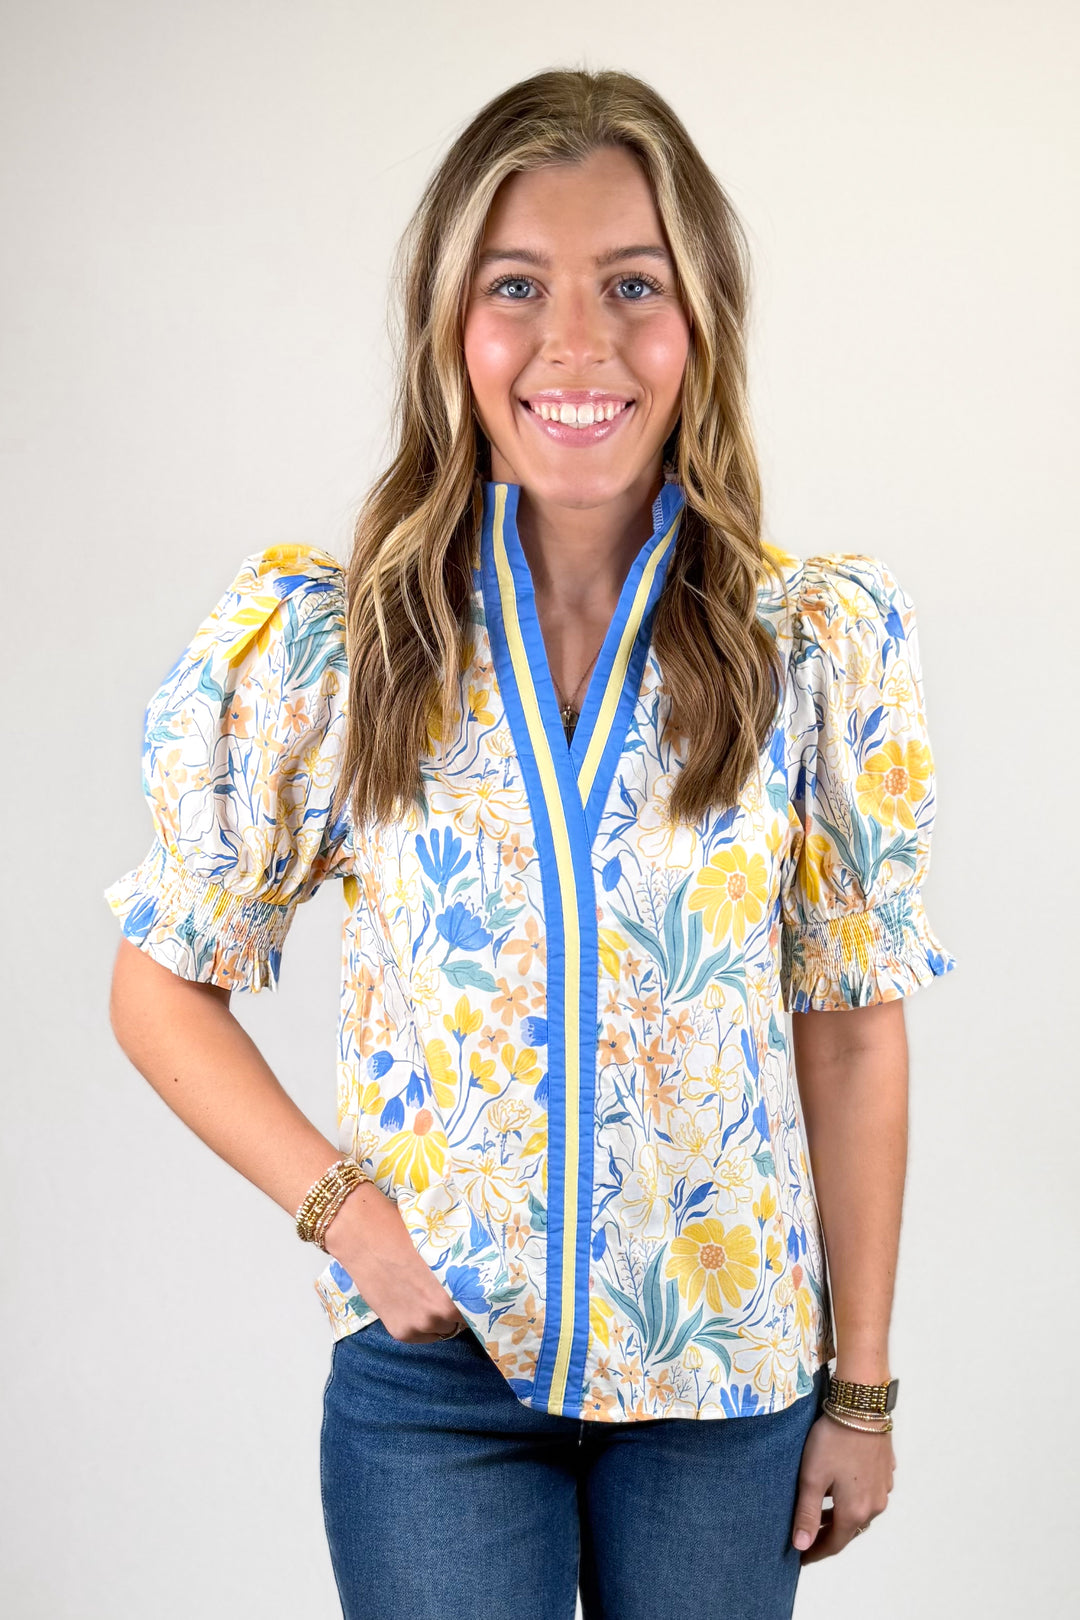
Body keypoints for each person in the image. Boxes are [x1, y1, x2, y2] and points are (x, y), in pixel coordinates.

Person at [105, 67, 954, 1620]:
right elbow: (162, 986)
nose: (579, 344)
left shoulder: (804, 647)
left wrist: (865, 1387)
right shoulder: (345, 651)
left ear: (702, 319)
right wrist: (349, 1218)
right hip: (439, 1394)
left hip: (723, 1391)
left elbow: (849, 1032)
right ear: (453, 329)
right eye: (518, 286)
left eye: (633, 283)